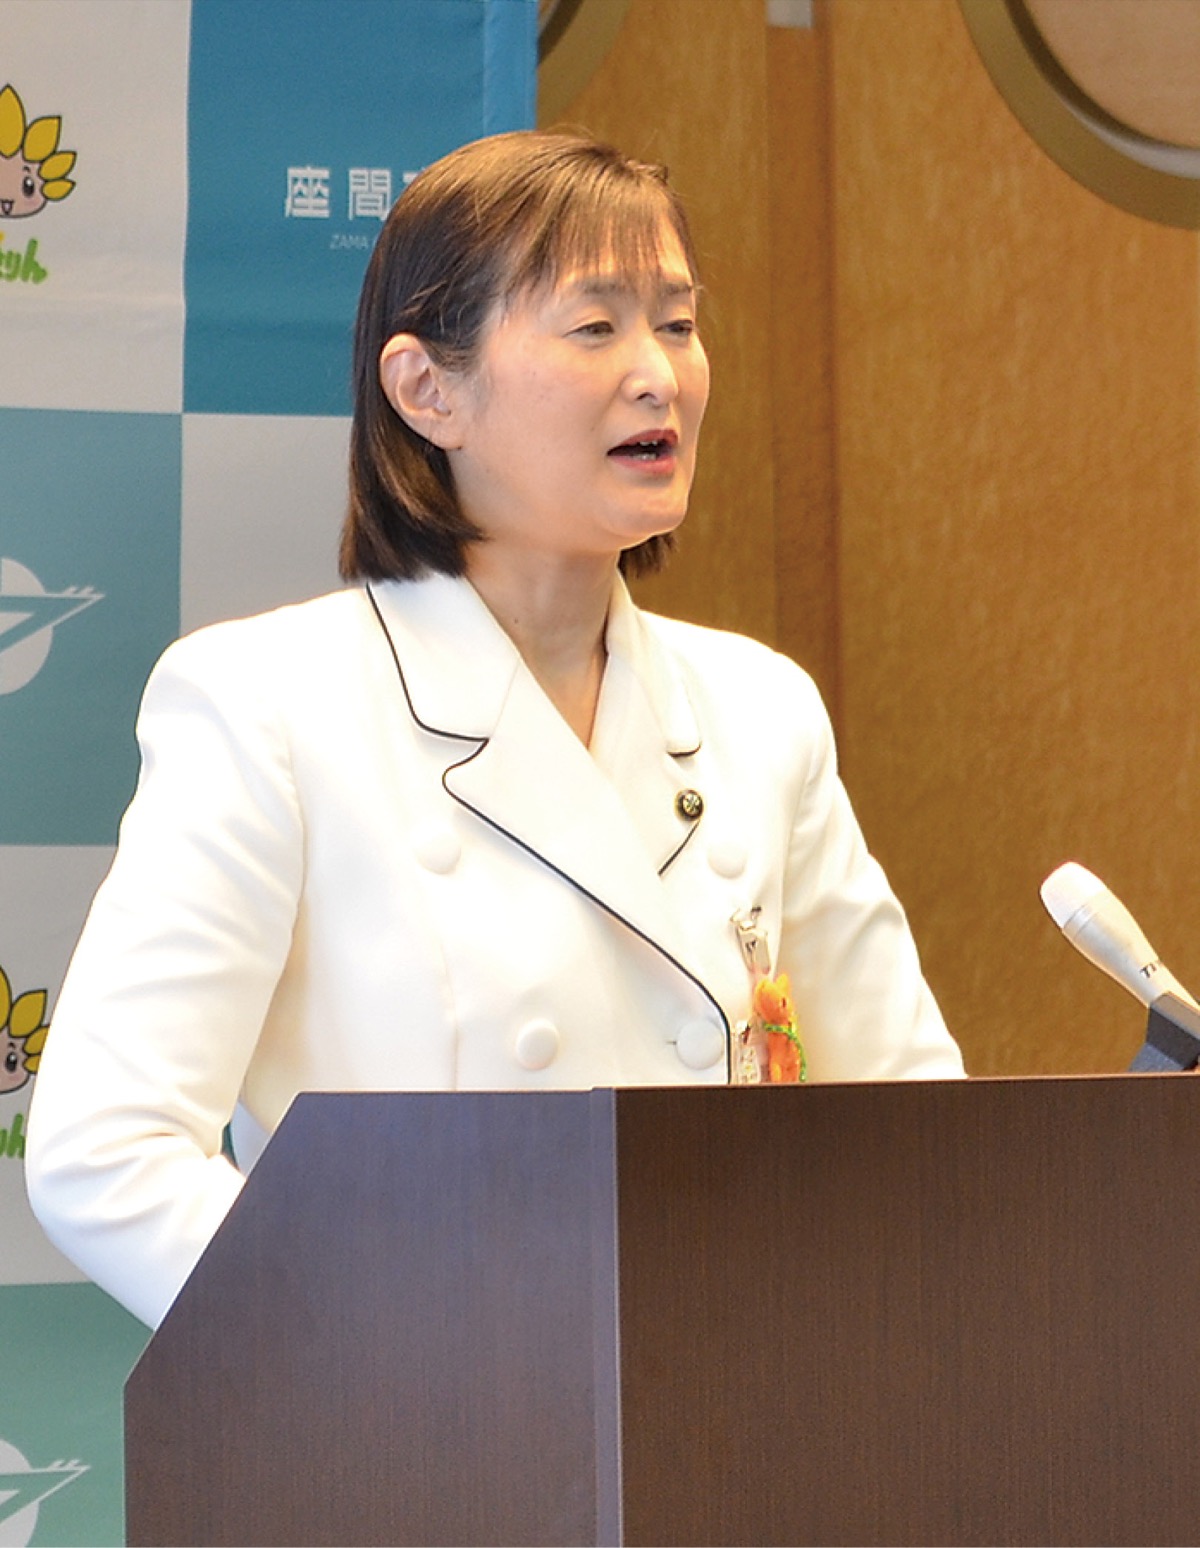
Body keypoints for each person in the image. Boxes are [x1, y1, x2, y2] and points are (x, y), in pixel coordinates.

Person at [26, 130, 965, 1330]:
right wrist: (398, 1365)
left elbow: (911, 1117)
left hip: (725, 1398)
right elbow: (105, 1151)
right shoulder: (269, 703)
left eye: (678, 324)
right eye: (596, 326)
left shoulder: (761, 706)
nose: (660, 376)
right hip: (423, 1415)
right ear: (428, 389)